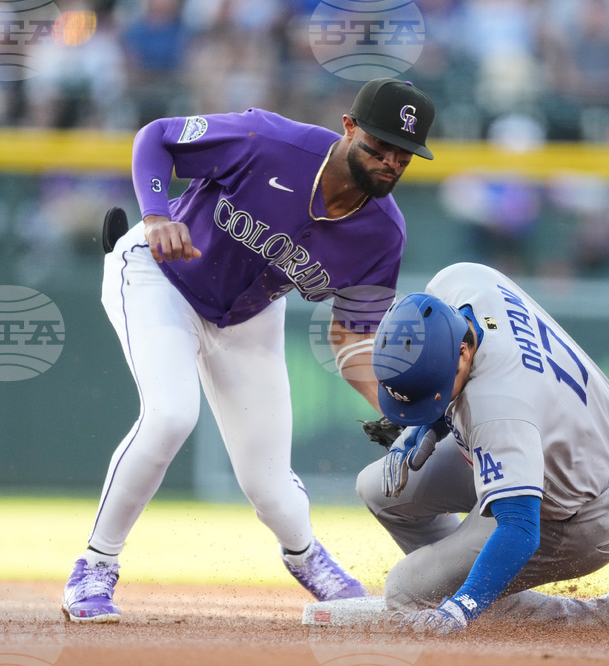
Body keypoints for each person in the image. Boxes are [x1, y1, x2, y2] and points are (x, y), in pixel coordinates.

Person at [62, 78, 436, 622]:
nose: (389, 162)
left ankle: (308, 558)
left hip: (248, 316)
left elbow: (352, 336)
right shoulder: (270, 141)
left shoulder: (383, 235)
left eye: (403, 154)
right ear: (348, 128)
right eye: (378, 146)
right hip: (159, 276)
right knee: (170, 416)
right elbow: (157, 137)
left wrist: (396, 410)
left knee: (269, 482)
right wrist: (158, 214)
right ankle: (94, 568)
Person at [354, 262, 609, 635]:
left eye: (433, 392)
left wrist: (462, 606)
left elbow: (520, 530)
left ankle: (600, 618)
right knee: (376, 488)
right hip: (578, 437)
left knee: (407, 591)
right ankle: (464, 579)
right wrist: (428, 421)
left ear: (462, 351)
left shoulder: (497, 407)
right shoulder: (463, 282)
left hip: (586, 512)